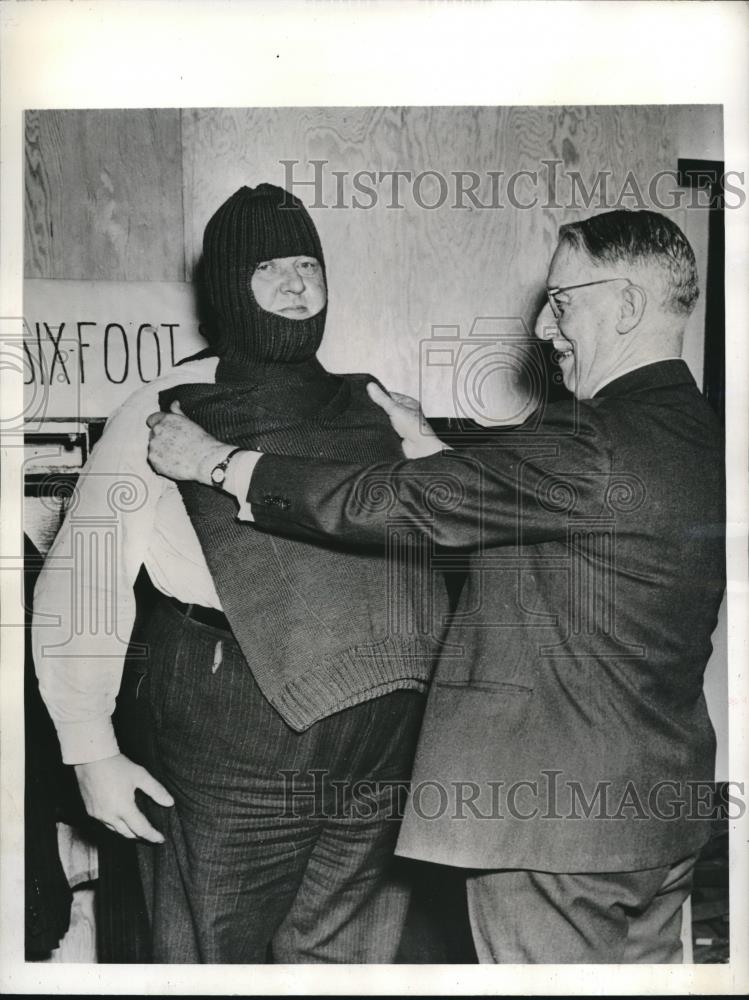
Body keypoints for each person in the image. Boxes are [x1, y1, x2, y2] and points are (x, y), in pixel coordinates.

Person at [147, 209, 726, 963]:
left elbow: (394, 505)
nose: (546, 330)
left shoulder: (587, 439)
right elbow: (572, 531)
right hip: (657, 821)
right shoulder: (699, 432)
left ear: (623, 304)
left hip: (554, 834)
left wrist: (221, 466)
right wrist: (431, 446)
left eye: (561, 301)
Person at [33, 183, 447, 963]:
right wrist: (90, 751)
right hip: (231, 726)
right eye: (268, 269)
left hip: (376, 740)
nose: (296, 284)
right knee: (212, 954)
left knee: (348, 960)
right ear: (228, 286)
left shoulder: (373, 404)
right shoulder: (164, 408)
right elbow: (86, 576)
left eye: (308, 265)